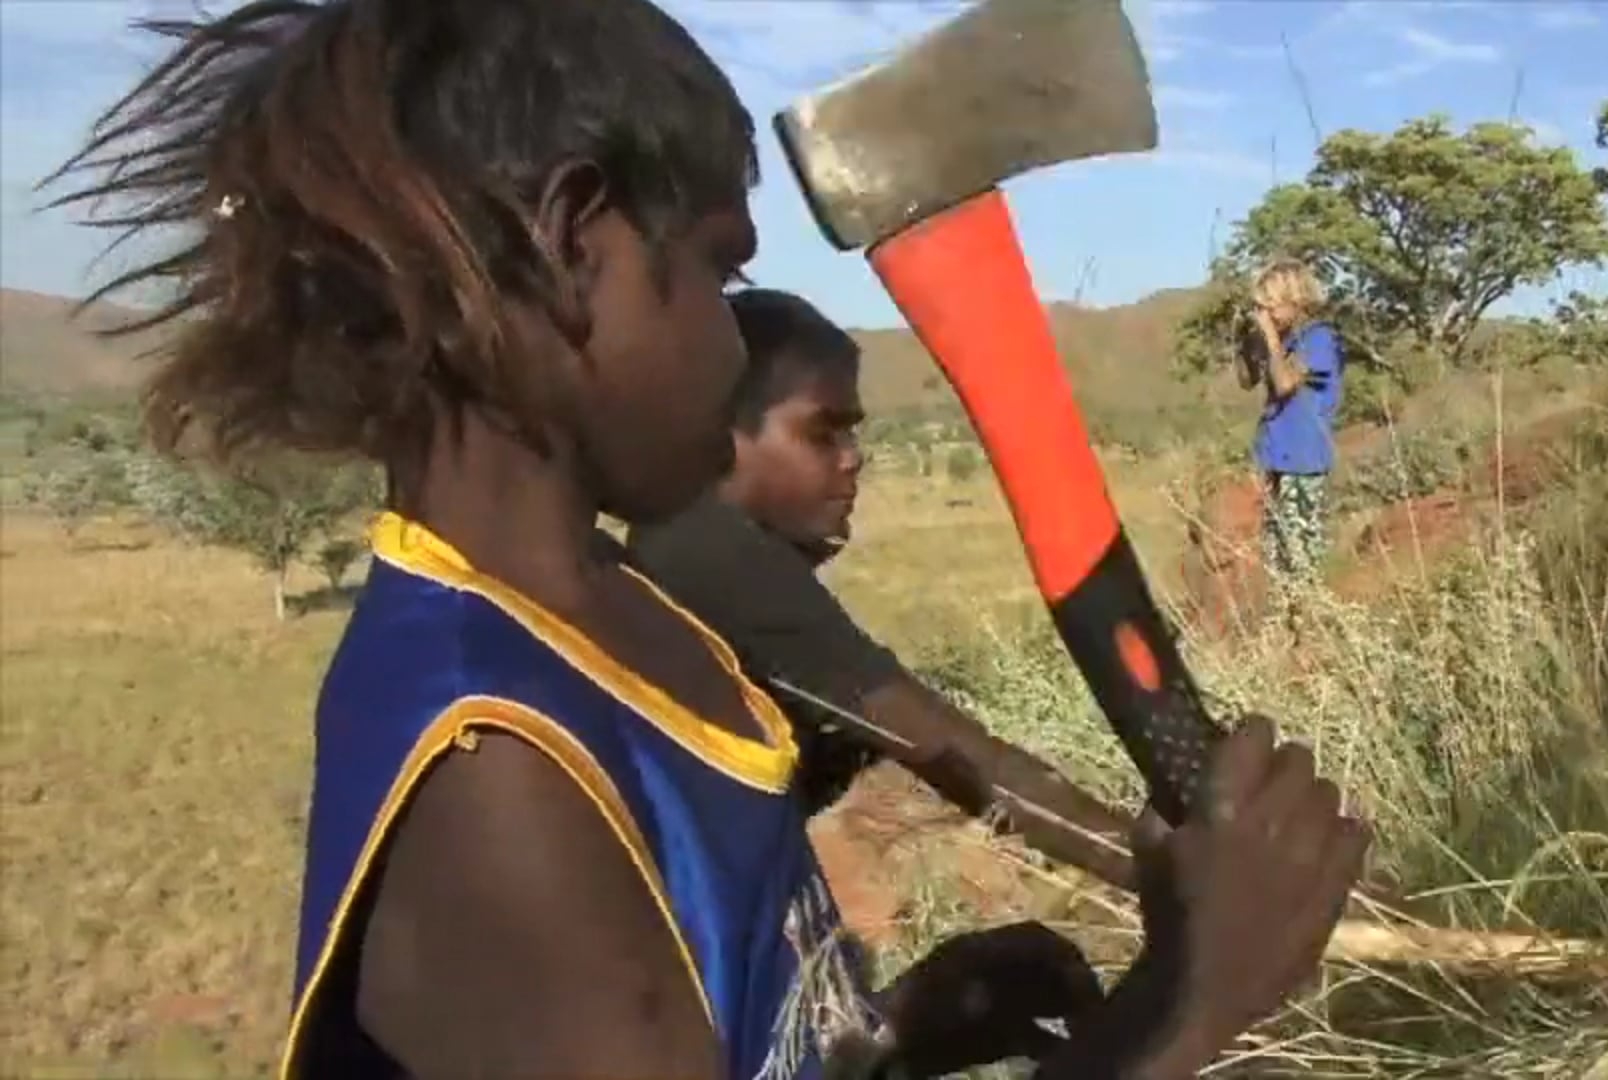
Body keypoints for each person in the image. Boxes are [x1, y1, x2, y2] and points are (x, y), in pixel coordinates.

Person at [47, 2, 1371, 1078]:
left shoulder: (631, 619)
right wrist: (1182, 1014)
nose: (740, 338)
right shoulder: (496, 770)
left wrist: (881, 1041)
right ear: (572, 242)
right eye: (726, 272)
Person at [623, 287, 1136, 889]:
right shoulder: (711, 553)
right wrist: (1153, 869)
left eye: (853, 435)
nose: (853, 460)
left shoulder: (679, 541)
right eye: (823, 434)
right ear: (726, 436)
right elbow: (951, 753)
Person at [1241, 258, 1344, 579]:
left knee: (1301, 556)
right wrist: (1245, 341)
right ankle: (1288, 618)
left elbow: (1285, 384)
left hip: (1304, 459)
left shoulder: (1319, 339)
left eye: (1270, 306)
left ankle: (1310, 616)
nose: (1265, 315)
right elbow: (1246, 381)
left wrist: (1271, 341)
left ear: (1295, 301)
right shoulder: (1283, 342)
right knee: (1276, 555)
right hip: (1277, 457)